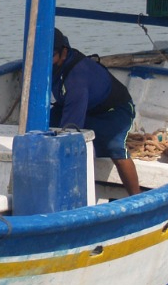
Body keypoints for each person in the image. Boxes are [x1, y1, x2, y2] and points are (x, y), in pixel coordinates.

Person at [50, 28, 142, 196]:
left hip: (114, 111)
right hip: (83, 107)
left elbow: (70, 131)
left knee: (114, 146)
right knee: (44, 126)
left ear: (64, 51)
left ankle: (136, 197)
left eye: (51, 55)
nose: (45, 61)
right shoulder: (51, 67)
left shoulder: (77, 79)